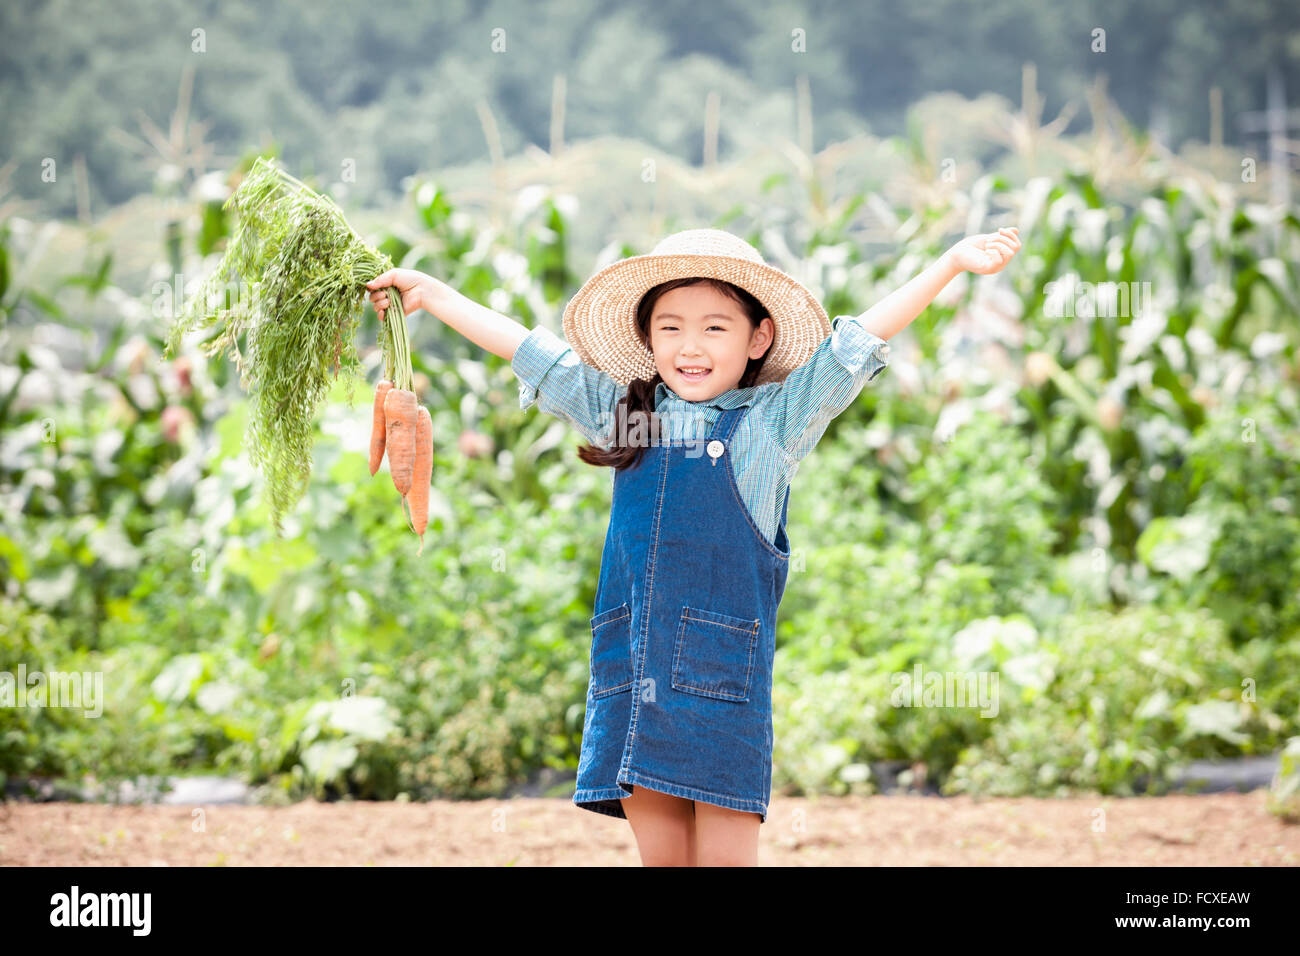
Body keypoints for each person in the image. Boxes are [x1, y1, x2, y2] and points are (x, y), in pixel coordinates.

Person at [365, 225, 1021, 866]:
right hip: (632, 684)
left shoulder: (770, 427)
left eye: (715, 327)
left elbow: (853, 347)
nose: (691, 346)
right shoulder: (625, 417)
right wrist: (435, 295)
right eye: (670, 327)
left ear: (758, 336)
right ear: (648, 339)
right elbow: (534, 352)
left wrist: (949, 266)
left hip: (721, 695)